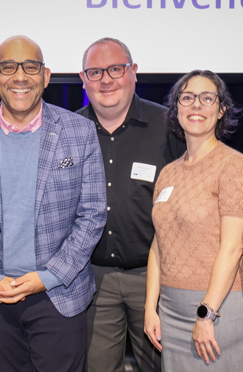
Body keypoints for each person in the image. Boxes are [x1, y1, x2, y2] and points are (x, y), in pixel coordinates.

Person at [0, 35, 106, 372]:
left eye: (30, 67)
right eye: (8, 67)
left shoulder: (80, 131)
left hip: (58, 294)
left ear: (46, 76)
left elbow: (91, 214)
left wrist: (48, 276)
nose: (20, 76)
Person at [76, 37, 184, 372]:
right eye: (95, 72)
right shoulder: (70, 131)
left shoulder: (171, 126)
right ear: (83, 79)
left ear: (134, 72)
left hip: (154, 280)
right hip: (91, 281)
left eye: (115, 69)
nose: (106, 79)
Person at [144, 70, 243, 371]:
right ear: (176, 107)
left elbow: (233, 249)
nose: (196, 106)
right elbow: (159, 245)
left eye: (207, 98)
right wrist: (150, 308)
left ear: (221, 110)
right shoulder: (168, 173)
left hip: (220, 309)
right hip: (170, 310)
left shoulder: (233, 165)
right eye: (188, 98)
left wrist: (207, 314)